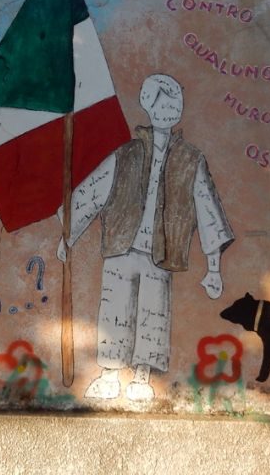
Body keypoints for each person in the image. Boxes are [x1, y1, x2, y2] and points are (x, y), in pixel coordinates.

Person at [58, 74, 234, 401]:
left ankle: (142, 378)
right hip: (121, 246)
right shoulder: (126, 154)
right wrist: (68, 236)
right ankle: (109, 374)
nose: (168, 111)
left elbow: (207, 209)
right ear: (147, 106)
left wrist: (213, 267)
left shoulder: (191, 159)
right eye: (162, 105)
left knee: (154, 315)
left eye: (174, 105)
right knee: (114, 309)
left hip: (162, 251)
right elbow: (92, 194)